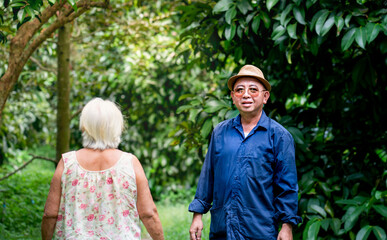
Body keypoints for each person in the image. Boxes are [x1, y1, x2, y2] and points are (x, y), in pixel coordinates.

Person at [188, 65, 302, 240]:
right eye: (239, 90)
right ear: (233, 97)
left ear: (265, 97)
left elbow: (287, 187)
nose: (246, 95)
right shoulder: (220, 132)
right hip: (222, 230)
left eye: (253, 90)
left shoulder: (279, 136)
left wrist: (286, 226)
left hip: (260, 231)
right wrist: (197, 215)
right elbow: (208, 176)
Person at [42, 98, 164, 240]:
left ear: (84, 127)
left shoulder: (67, 163)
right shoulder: (130, 163)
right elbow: (149, 213)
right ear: (117, 127)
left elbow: (49, 214)